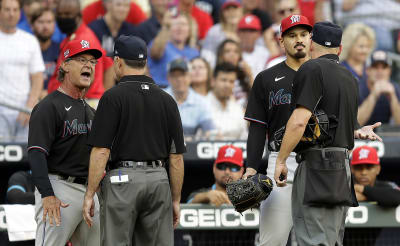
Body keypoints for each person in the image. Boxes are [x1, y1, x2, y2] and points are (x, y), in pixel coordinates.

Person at [273, 21, 381, 245]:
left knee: (312, 239)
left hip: (316, 165)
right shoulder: (350, 77)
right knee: (331, 240)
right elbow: (340, 121)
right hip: (342, 167)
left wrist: (281, 159)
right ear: (340, 49)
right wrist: (357, 130)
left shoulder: (311, 68)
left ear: (312, 43)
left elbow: (298, 122)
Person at [83, 35, 185, 246]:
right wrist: (175, 199)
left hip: (122, 180)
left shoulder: (112, 97)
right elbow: (176, 158)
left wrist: (89, 194)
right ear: (145, 62)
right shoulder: (167, 100)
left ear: (118, 61)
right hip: (159, 179)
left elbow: (101, 151)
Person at [243, 14, 312, 246]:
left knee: (319, 240)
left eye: (303, 34)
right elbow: (257, 128)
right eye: (292, 35)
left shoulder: (325, 75)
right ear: (281, 42)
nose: (298, 39)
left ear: (311, 38)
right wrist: (251, 168)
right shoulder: (266, 79)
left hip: (318, 163)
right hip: (280, 163)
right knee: (271, 242)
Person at [28, 39, 102, 246]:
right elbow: (36, 153)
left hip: (88, 192)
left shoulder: (91, 112)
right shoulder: (48, 107)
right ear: (65, 65)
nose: (88, 65)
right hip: (59, 187)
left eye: (92, 62)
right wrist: (47, 194)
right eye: (81, 60)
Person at [47, 0, 114, 106]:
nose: (63, 18)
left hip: (81, 103)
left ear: (78, 16)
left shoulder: (84, 40)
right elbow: (109, 64)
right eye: (60, 14)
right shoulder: (76, 36)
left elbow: (110, 68)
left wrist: (100, 97)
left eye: (68, 14)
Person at [0, 0, 44, 142]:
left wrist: (29, 107)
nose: (11, 14)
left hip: (24, 111)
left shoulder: (30, 41)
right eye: (7, 9)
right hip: (1, 110)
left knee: (25, 160)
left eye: (15, 10)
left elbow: (37, 77)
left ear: (20, 13)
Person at [164, 58, 215, 140]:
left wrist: (212, 135)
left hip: (189, 149)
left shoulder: (201, 102)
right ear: (168, 78)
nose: (179, 79)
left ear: (190, 76)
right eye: (174, 75)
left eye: (183, 74)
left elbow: (210, 130)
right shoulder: (159, 98)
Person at [148, 12, 199, 87]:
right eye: (175, 24)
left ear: (190, 30)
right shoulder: (161, 44)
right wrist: (165, 28)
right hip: (160, 89)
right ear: (169, 27)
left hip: (184, 92)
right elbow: (155, 53)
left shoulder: (194, 52)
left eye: (183, 24)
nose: (180, 28)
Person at [206, 62, 247, 140]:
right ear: (212, 82)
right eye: (223, 80)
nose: (227, 85)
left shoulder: (237, 108)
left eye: (231, 81)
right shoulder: (201, 106)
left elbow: (244, 137)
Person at [358, 50, 400, 126]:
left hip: (386, 136)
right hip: (361, 136)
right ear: (368, 70)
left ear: (389, 71)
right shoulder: (358, 88)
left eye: (384, 67)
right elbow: (355, 123)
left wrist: (393, 97)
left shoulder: (395, 88)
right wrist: (373, 95)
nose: (380, 71)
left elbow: (398, 124)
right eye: (375, 67)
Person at [31, 7, 60, 97]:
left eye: (49, 22)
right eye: (41, 22)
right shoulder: (25, 49)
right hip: (28, 99)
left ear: (54, 25)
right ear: (32, 25)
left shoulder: (61, 49)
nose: (45, 26)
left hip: (54, 100)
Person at [340, 23, 376, 90]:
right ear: (349, 45)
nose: (365, 51)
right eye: (361, 46)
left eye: (368, 46)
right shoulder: (340, 69)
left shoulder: (371, 69)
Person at [237, 14, 270, 79]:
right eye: (244, 30)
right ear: (238, 33)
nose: (247, 35)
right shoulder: (232, 52)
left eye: (252, 31)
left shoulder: (265, 53)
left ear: (259, 34)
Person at [82, 0, 147, 26]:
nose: (122, 9)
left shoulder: (133, 8)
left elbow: (143, 31)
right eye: (118, 4)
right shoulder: (90, 10)